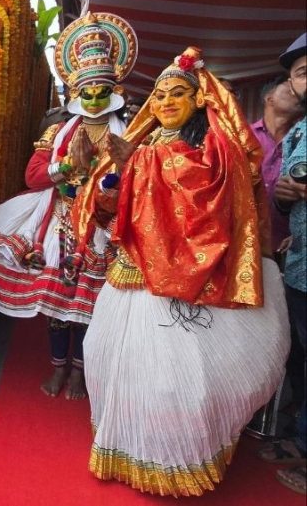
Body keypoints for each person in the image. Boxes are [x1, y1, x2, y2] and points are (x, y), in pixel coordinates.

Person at [78, 47, 290, 496]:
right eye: (159, 95)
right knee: (107, 356)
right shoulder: (145, 141)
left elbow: (204, 190)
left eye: (177, 93)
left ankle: (172, 460)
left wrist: (138, 161)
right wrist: (109, 179)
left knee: (173, 380)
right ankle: (124, 445)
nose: (167, 101)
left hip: (184, 274)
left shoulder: (212, 146)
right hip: (132, 269)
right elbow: (114, 201)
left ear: (198, 99)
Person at [0, 12, 137, 400]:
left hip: (104, 228)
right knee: (56, 310)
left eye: (101, 91)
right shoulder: (58, 130)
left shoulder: (130, 133)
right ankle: (59, 367)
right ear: (75, 93)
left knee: (88, 311)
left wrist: (124, 167)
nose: (94, 99)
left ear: (114, 89)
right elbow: (33, 176)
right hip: (63, 224)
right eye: (87, 93)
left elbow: (143, 181)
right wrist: (65, 166)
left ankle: (80, 373)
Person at [272, 32, 307, 495]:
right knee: (299, 356)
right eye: (301, 72)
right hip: (300, 265)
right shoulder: (297, 132)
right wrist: (283, 197)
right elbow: (286, 197)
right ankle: (300, 442)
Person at [252, 75, 303, 250]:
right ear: (270, 98)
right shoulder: (243, 138)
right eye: (291, 89)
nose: (299, 94)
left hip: (292, 246)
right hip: (245, 244)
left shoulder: (303, 141)